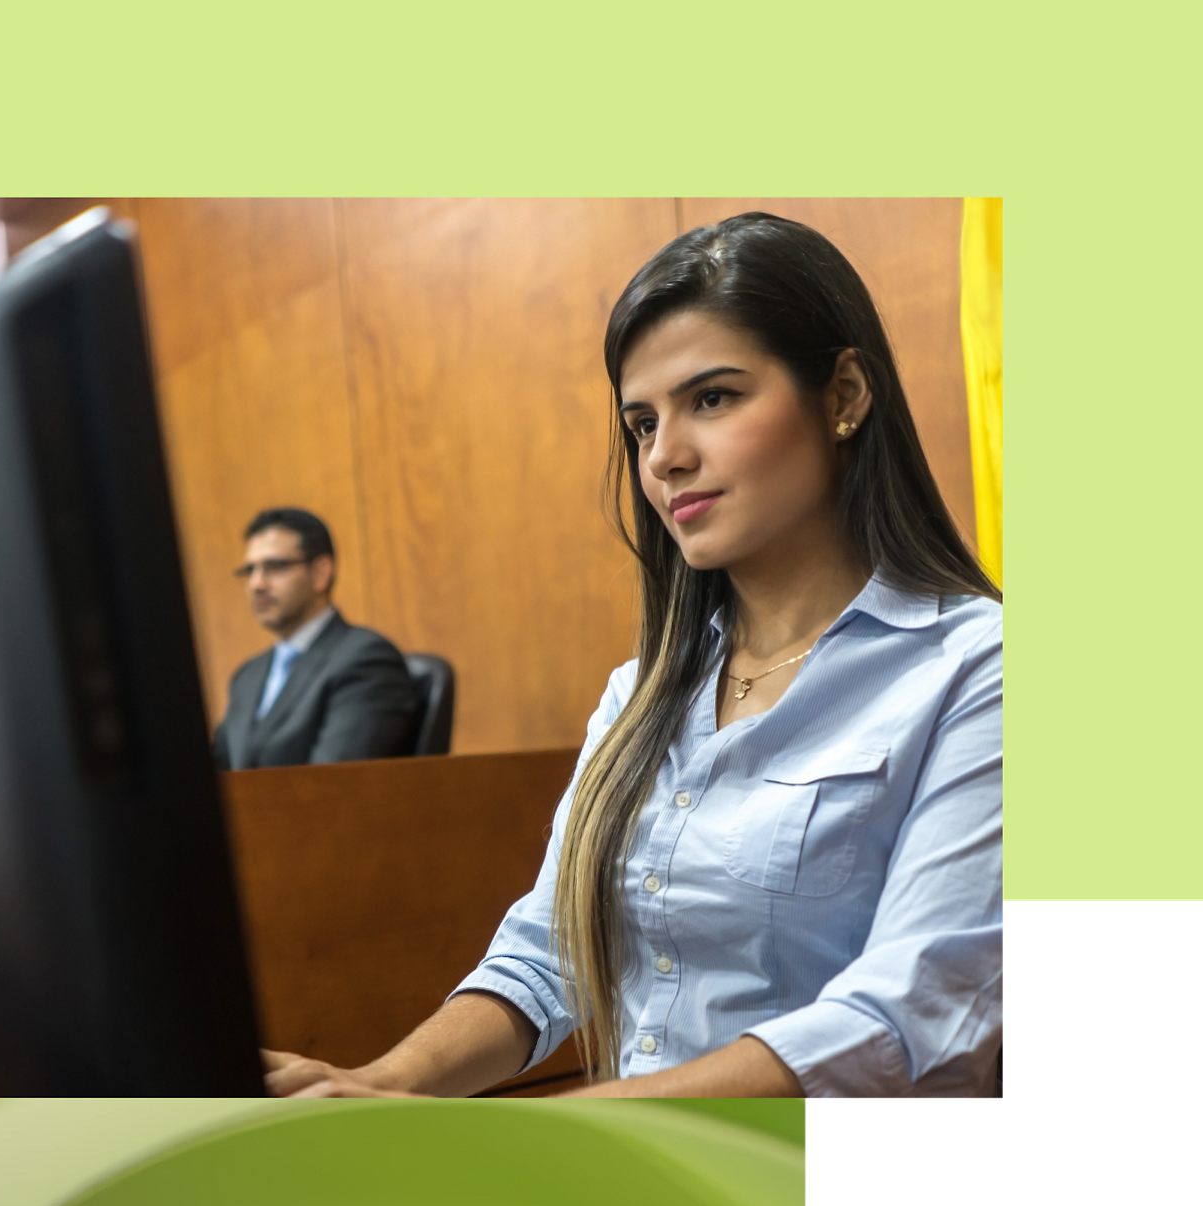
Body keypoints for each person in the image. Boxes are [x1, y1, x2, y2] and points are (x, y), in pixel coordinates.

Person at [265, 213, 1002, 1099]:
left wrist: (522, 1136)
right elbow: (551, 952)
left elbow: (901, 1018)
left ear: (843, 393)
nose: (666, 458)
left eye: (714, 399)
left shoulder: (977, 668)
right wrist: (380, 1089)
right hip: (636, 1180)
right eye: (642, 424)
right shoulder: (643, 690)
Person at [212, 507, 420, 770]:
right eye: (250, 570)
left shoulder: (366, 661)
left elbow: (331, 785)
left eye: (275, 566)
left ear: (321, 573)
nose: (257, 583)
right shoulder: (248, 675)